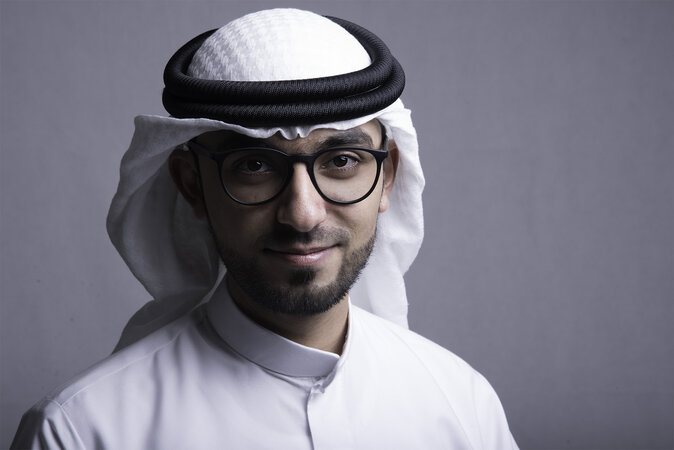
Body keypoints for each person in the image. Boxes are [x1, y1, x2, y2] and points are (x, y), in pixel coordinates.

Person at [12, 8, 518, 449]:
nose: (303, 215)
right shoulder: (81, 431)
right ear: (192, 184)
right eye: (254, 166)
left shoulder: (461, 403)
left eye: (342, 161)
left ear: (387, 178)